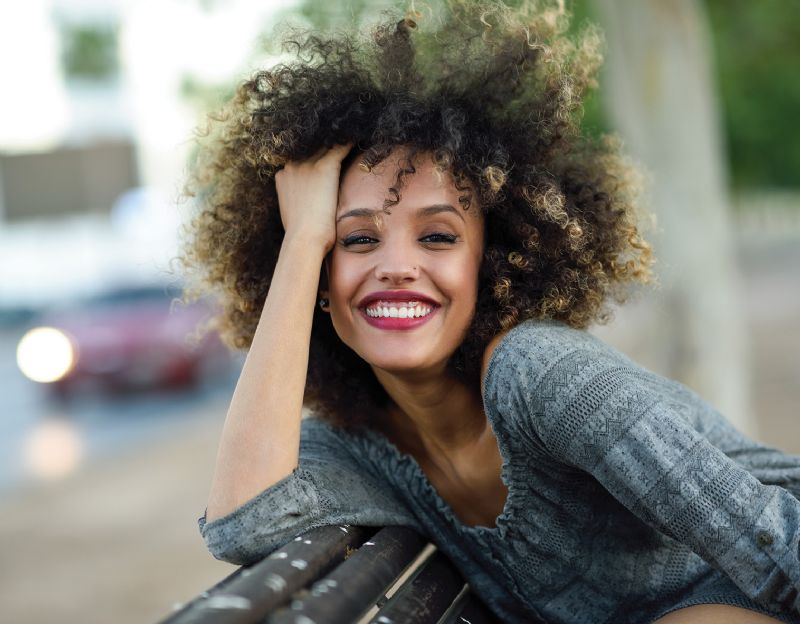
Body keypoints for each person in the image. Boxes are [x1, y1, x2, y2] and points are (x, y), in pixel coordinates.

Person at [181, 1, 800, 622]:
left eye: (439, 236)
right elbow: (244, 525)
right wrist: (302, 240)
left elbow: (774, 544)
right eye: (357, 239)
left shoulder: (543, 376)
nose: (396, 266)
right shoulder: (359, 445)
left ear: (493, 262)